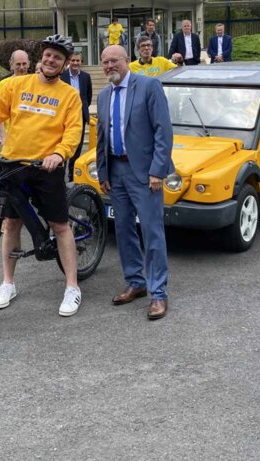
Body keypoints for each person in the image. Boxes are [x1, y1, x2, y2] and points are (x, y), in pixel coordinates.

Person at [0, 35, 84, 317]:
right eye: (48, 55)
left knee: (59, 226)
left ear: (65, 64)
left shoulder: (69, 95)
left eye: (58, 57)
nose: (51, 60)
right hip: (14, 164)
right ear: (40, 58)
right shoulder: (13, 85)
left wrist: (60, 153)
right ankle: (8, 282)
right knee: (11, 223)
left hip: (47, 167)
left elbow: (73, 131)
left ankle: (72, 286)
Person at [96, 45, 174, 321]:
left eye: (114, 61)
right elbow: (102, 137)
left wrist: (157, 171)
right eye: (104, 62)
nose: (109, 66)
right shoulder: (104, 95)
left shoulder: (149, 86)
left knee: (152, 232)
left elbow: (163, 131)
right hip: (116, 172)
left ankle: (158, 293)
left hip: (145, 173)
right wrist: (103, 173)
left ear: (127, 60)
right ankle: (136, 282)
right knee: (123, 229)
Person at [60, 51, 93, 181]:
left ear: (81, 62)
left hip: (80, 116)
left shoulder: (86, 76)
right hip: (64, 116)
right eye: (73, 60)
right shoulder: (62, 76)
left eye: (78, 61)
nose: (75, 63)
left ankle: (73, 176)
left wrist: (83, 109)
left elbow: (88, 97)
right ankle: (60, 176)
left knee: (77, 147)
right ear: (69, 61)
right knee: (63, 144)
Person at [0, 49, 31, 144]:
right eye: (18, 64)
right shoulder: (4, 84)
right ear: (11, 64)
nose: (22, 67)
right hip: (11, 137)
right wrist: (3, 136)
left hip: (30, 137)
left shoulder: (34, 83)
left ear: (29, 64)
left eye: (24, 64)